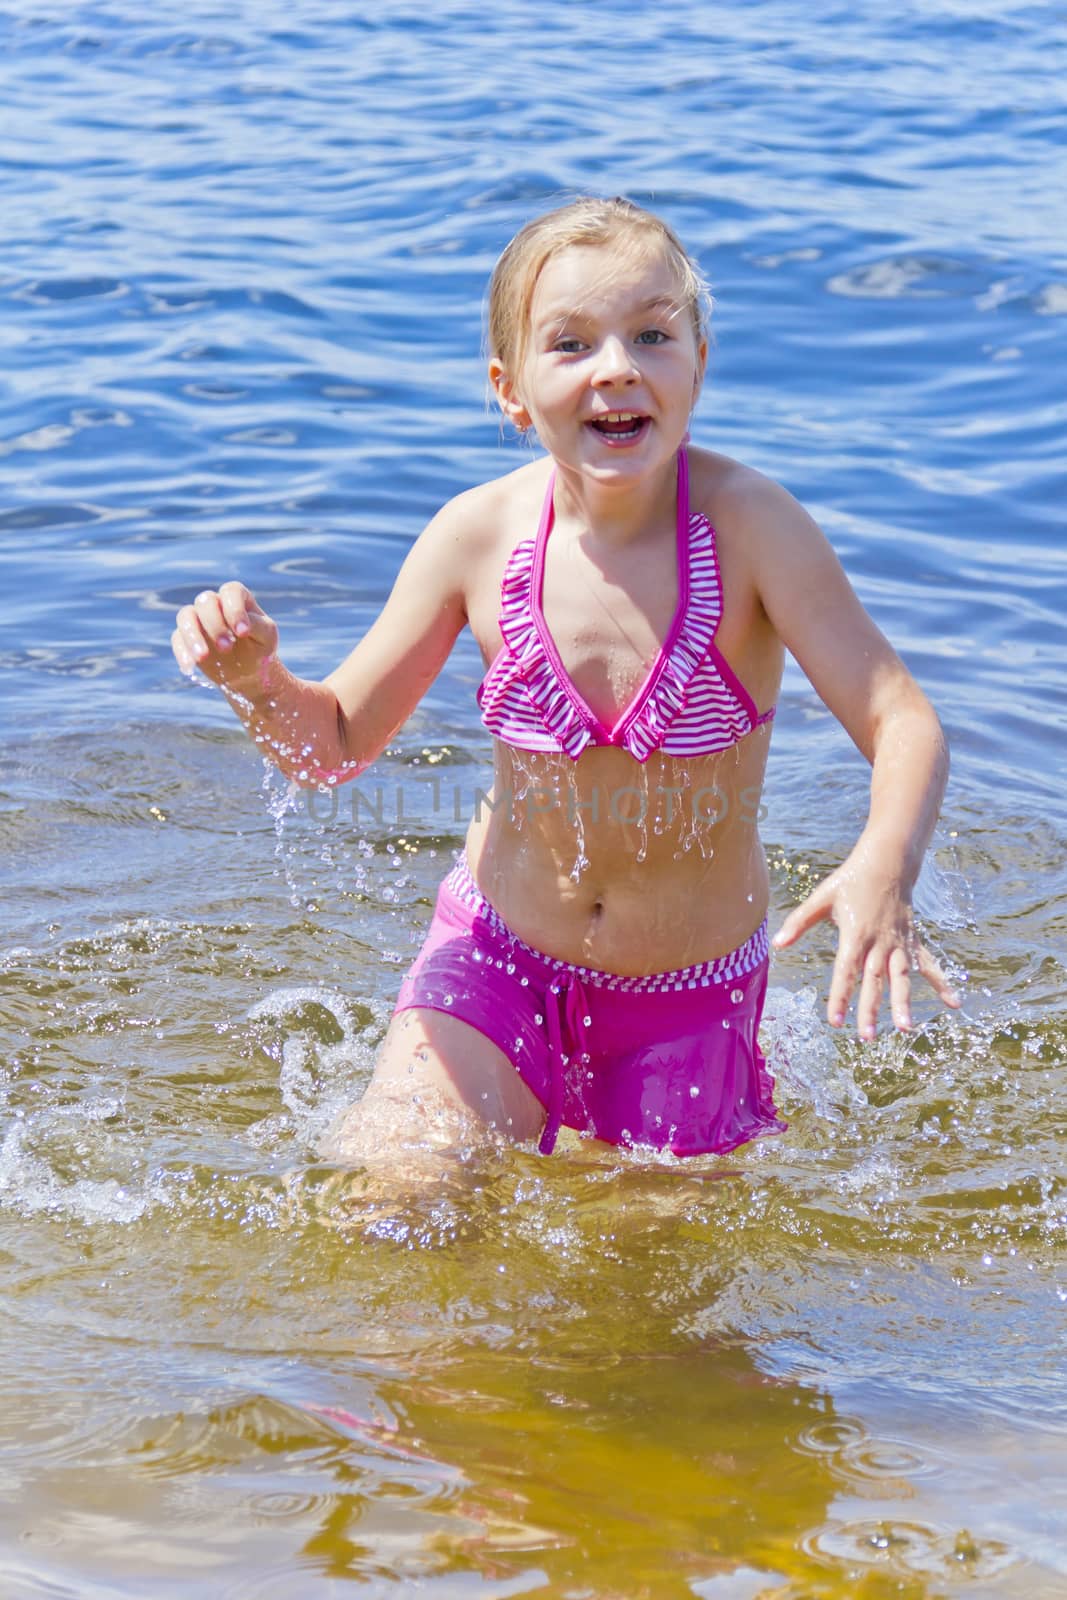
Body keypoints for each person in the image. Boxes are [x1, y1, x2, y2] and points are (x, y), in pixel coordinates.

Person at [172, 196, 960, 1163]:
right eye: (572, 343)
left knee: (641, 1293)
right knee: (398, 1191)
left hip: (685, 999)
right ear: (510, 390)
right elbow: (331, 747)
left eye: (652, 334)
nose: (618, 366)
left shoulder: (753, 532)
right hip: (495, 959)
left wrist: (883, 863)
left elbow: (902, 720)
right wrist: (256, 681)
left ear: (698, 362)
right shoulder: (477, 536)